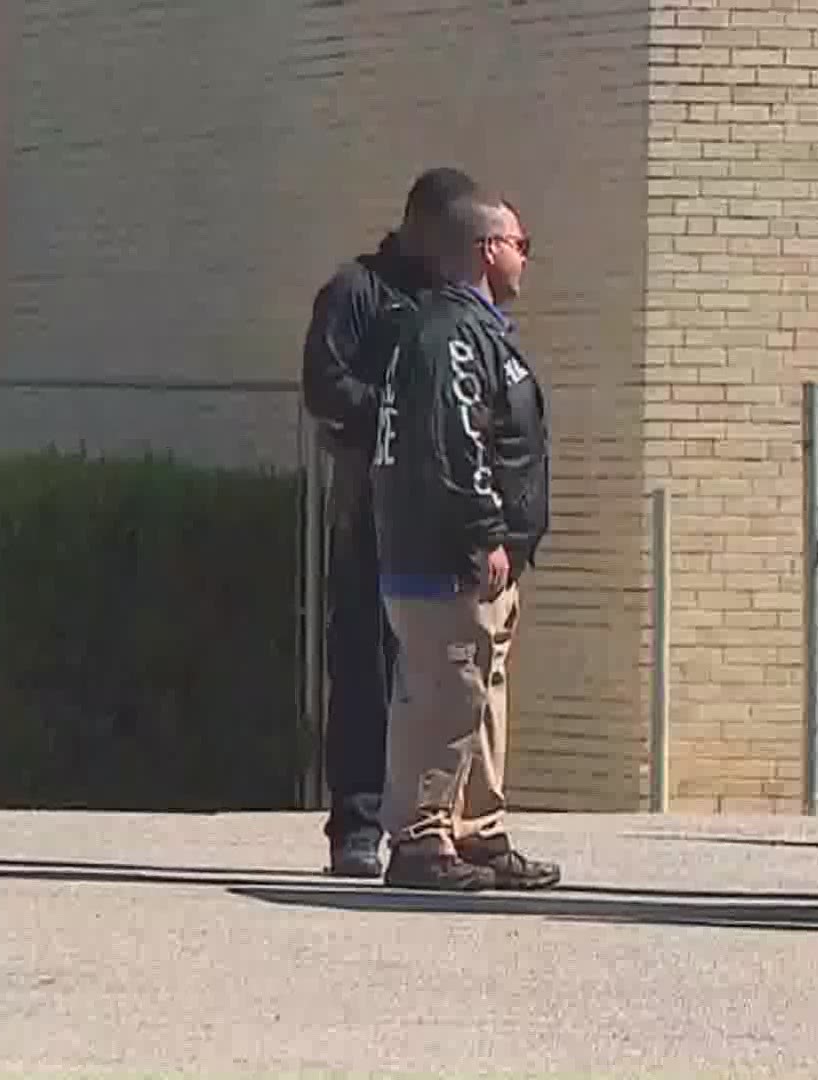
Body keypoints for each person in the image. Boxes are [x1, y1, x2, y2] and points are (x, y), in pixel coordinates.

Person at [367, 191, 559, 892]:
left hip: (481, 564)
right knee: (443, 694)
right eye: (519, 243)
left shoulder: (475, 330)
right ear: (486, 249)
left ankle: (476, 829)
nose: (524, 257)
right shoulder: (445, 332)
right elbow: (456, 438)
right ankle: (421, 838)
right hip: (445, 560)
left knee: (479, 691)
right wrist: (484, 533)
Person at [301, 166, 480, 878]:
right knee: (366, 665)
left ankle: (435, 820)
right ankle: (358, 819)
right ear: (421, 226)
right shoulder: (358, 291)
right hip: (370, 508)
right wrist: (398, 414)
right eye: (450, 236)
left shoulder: (452, 303)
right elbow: (325, 383)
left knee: (441, 675)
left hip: (439, 516)